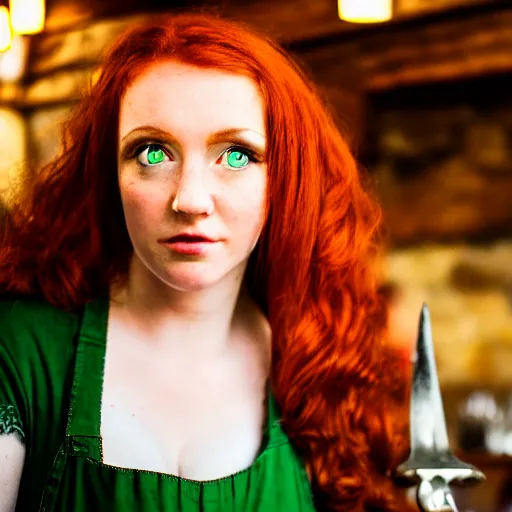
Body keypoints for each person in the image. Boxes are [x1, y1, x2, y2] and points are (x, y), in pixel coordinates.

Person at [0, 11, 413, 512]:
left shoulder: (317, 362)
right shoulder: (22, 350)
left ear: (286, 181)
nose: (191, 199)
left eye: (236, 154)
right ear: (108, 173)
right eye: (153, 153)